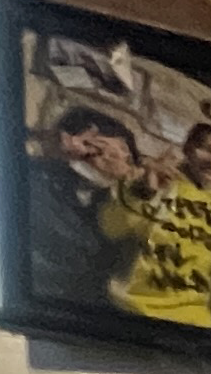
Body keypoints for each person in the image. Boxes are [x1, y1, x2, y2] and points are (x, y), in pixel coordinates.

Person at [102, 122, 211, 330]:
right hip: (133, 310)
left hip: (200, 323)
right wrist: (145, 192)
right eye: (207, 149)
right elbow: (111, 229)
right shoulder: (151, 178)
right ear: (188, 148)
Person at [27, 101, 141, 310]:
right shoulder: (35, 179)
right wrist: (48, 144)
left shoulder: (110, 208)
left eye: (130, 157)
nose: (126, 159)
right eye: (123, 148)